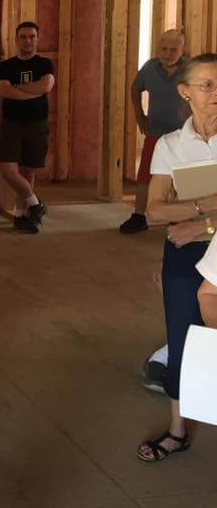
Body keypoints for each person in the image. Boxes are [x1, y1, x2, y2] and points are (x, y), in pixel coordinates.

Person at [137, 53, 217, 463]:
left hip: (200, 237)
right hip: (186, 247)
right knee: (183, 330)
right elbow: (154, 212)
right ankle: (177, 428)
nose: (216, 95)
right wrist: (209, 205)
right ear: (185, 92)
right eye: (206, 86)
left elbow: (175, 212)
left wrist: (199, 223)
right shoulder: (170, 145)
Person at [122, 30, 188, 234]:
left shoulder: (191, 69)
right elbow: (135, 89)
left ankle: (180, 217)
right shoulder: (150, 67)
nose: (168, 54)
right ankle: (138, 216)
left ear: (182, 50)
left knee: (183, 179)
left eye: (173, 49)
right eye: (164, 49)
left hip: (184, 135)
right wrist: (139, 116)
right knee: (145, 176)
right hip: (156, 132)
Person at [0, 21, 55, 234]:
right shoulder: (6, 66)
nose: (27, 41)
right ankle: (37, 205)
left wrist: (16, 88)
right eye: (23, 37)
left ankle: (22, 216)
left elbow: (46, 86)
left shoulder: (45, 63)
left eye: (32, 36)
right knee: (9, 170)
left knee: (28, 171)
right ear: (16, 39)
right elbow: (3, 90)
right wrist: (33, 91)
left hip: (37, 124)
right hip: (12, 124)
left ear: (37, 39)